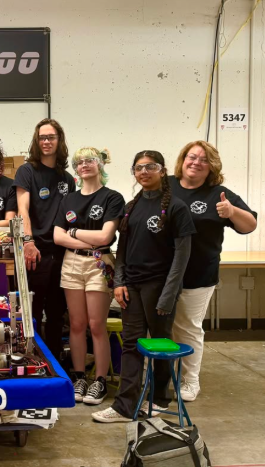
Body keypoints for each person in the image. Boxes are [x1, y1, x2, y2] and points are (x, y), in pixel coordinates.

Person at [92, 150, 196, 423]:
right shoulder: (131, 207)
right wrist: (119, 282)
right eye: (139, 167)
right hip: (131, 288)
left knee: (159, 344)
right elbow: (122, 250)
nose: (144, 171)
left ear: (162, 171)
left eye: (151, 166)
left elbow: (182, 255)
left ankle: (160, 398)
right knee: (131, 344)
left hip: (160, 287)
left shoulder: (177, 207)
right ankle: (124, 407)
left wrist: (168, 295)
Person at [170, 141, 257, 401]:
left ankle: (190, 382)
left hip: (198, 274)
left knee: (188, 328)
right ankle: (163, 377)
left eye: (203, 159)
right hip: (161, 273)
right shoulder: (167, 186)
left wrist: (231, 212)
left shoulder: (218, 193)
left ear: (212, 166)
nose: (196, 162)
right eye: (191, 156)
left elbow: (250, 224)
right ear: (182, 159)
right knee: (162, 329)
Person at [53, 147, 125, 405]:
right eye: (79, 162)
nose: (84, 165)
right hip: (71, 263)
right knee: (76, 324)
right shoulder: (68, 199)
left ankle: (100, 380)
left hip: (100, 263)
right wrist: (82, 238)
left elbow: (105, 237)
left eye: (90, 160)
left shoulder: (112, 198)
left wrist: (73, 234)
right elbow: (56, 237)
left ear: (100, 164)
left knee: (97, 325)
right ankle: (80, 376)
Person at [13, 118, 75, 361]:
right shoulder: (27, 171)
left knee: (58, 313)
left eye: (51, 137)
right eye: (42, 138)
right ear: (36, 142)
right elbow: (23, 209)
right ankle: (33, 359)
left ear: (59, 140)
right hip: (35, 252)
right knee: (32, 312)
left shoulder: (67, 178)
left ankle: (55, 362)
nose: (46, 142)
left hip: (62, 253)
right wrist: (28, 242)